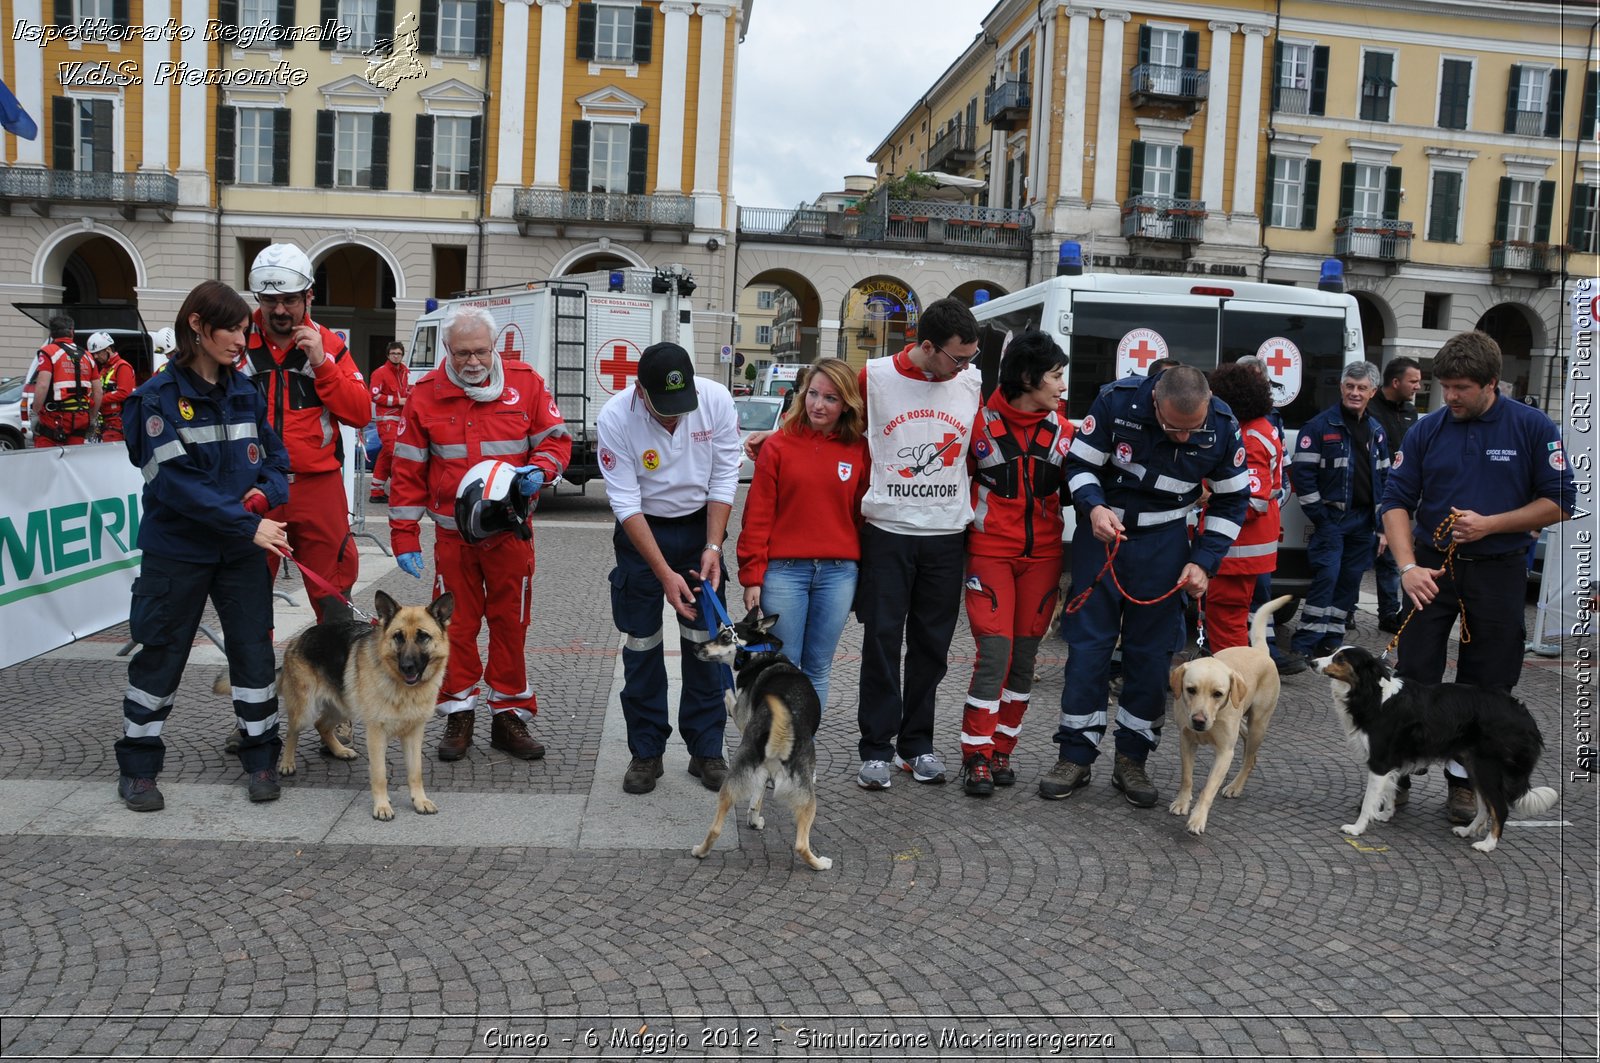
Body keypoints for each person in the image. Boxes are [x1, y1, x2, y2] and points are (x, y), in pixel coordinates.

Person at [1380, 330, 1575, 823]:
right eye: (1444, 387)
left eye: (1462, 388)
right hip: (1432, 567)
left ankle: (1464, 785)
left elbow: (1559, 502)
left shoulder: (1533, 428)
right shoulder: (1428, 429)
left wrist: (1491, 524)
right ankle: (1397, 775)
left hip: (1500, 571)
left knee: (1487, 685)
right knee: (1412, 678)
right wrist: (1407, 568)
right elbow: (1396, 502)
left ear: (1492, 383)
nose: (1450, 397)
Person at [115, 280, 292, 811]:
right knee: (161, 657)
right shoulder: (154, 400)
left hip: (238, 551)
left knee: (254, 656)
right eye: (233, 328)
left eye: (245, 329)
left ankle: (261, 759)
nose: (243, 338)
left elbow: (279, 462)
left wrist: (264, 494)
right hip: (178, 552)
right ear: (197, 326)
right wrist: (247, 525)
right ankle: (139, 769)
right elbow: (174, 484)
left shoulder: (245, 390)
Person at [1041, 365, 1249, 807]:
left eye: (1191, 430)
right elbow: (1079, 465)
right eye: (1173, 427)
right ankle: (1074, 756)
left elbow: (1233, 500)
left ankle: (1132, 759)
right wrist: (1093, 508)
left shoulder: (1224, 426)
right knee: (1088, 651)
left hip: (1166, 545)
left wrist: (1204, 563)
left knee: (1151, 659)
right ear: (1156, 400)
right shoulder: (1117, 401)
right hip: (1103, 539)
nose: (1181, 439)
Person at [389, 305, 571, 762]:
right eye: (463, 352)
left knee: (511, 626)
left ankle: (509, 717)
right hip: (453, 541)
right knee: (456, 628)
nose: (473, 362)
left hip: (510, 537)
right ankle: (459, 713)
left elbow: (555, 439)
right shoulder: (425, 394)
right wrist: (404, 536)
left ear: (495, 348)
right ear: (447, 350)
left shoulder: (525, 384)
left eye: (481, 352)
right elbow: (408, 468)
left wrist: (541, 469)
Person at [596, 341, 742, 795]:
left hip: (699, 528)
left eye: (680, 410)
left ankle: (706, 750)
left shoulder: (715, 399)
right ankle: (646, 752)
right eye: (663, 410)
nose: (672, 419)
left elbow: (724, 475)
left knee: (706, 644)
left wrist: (714, 546)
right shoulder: (616, 417)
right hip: (643, 534)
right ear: (640, 390)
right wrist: (663, 572)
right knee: (641, 645)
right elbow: (625, 501)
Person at [853, 297, 984, 790]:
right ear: (926, 346)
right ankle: (875, 749)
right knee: (882, 642)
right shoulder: (876, 376)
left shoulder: (970, 382)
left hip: (946, 534)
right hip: (888, 531)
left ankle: (918, 745)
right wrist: (777, 438)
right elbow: (843, 430)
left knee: (932, 647)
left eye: (971, 357)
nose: (966, 366)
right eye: (958, 357)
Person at [957, 331, 1071, 797]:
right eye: (1056, 376)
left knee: (1023, 660)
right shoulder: (976, 424)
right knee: (995, 657)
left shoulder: (1065, 431)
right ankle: (976, 757)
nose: (1063, 385)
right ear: (1028, 377)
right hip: (990, 554)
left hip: (1044, 557)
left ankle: (1004, 750)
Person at [240, 243, 371, 623]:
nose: (279, 310)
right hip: (254, 484)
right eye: (269, 301)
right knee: (247, 592)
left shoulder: (330, 345)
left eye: (289, 300)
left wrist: (323, 366)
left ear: (309, 295)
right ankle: (255, 683)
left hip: (317, 486)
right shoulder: (235, 342)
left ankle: (334, 679)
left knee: (333, 593)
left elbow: (360, 414)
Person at [736, 357, 868, 713]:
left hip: (839, 574)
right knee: (784, 667)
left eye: (830, 398)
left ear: (846, 405)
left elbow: (861, 516)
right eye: (813, 394)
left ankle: (801, 755)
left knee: (818, 670)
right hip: (785, 573)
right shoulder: (778, 447)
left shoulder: (859, 450)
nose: (818, 405)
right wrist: (752, 576)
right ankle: (777, 752)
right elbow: (758, 516)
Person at [1288, 362, 1390, 658]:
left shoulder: (1376, 431)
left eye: (1361, 388)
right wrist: (1321, 517)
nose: (1354, 393)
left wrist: (1382, 526)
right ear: (1341, 387)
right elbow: (1303, 476)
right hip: (1331, 519)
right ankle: (1304, 643)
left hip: (1363, 522)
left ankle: (1332, 641)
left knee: (1349, 582)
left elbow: (1385, 479)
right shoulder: (1320, 426)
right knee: (1326, 579)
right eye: (1350, 386)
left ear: (1373, 392)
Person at [1200, 361, 1285, 653]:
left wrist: (1207, 497)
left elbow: (1251, 501)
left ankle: (1232, 689)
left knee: (1227, 622)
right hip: (1243, 549)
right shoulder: (1259, 427)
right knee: (1227, 619)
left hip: (1238, 550)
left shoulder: (1249, 438)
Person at [1233, 354, 1303, 674]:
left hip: (1250, 531)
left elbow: (1277, 478)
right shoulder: (1252, 421)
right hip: (1249, 531)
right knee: (1238, 599)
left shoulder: (1262, 424)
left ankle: (1264, 653)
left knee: (1256, 593)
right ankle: (1256, 653)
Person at [1367, 356, 1422, 632]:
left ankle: (1389, 613)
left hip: (1398, 493)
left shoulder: (1411, 412)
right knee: (1359, 558)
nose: (1418, 386)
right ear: (1396, 382)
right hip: (1371, 492)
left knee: (1391, 558)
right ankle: (1348, 611)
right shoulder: (1370, 409)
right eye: (1413, 381)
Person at [30, 313, 101, 447]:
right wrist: (92, 418)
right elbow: (98, 392)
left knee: (45, 460)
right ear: (72, 332)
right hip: (81, 417)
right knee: (73, 462)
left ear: (51, 334)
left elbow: (43, 385)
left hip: (55, 419)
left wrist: (35, 413)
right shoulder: (87, 356)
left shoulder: (48, 352)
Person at [368, 339, 413, 503]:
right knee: (396, 453)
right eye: (393, 353)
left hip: (400, 421)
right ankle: (401, 490)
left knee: (386, 455)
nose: (396, 356)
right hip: (387, 421)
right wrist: (397, 401)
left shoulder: (405, 371)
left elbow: (408, 391)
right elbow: (374, 395)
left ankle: (376, 491)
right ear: (388, 355)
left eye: (399, 353)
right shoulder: (380, 373)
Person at [88, 332, 136, 443]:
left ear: (108, 349)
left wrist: (99, 399)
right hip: (105, 423)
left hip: (117, 423)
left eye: (98, 353)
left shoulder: (122, 366)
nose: (95, 357)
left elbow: (124, 393)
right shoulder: (104, 369)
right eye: (93, 354)